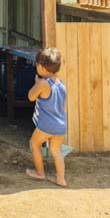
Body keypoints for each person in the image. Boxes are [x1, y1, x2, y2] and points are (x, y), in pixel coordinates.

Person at [26, 47, 68, 187]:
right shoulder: (61, 84)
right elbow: (63, 105)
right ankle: (61, 179)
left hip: (46, 125)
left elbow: (31, 97)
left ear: (42, 68)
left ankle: (40, 173)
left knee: (35, 143)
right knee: (56, 151)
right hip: (61, 125)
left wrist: (36, 83)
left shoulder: (43, 84)